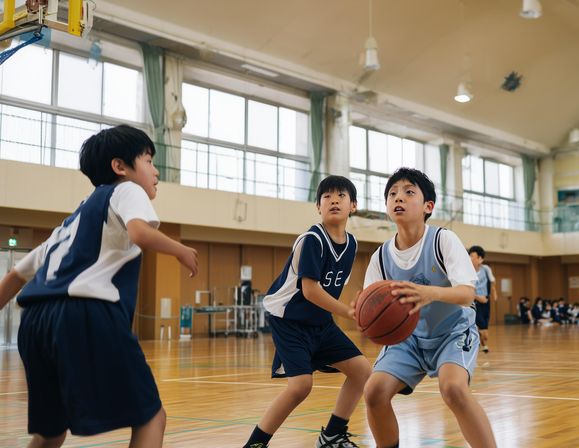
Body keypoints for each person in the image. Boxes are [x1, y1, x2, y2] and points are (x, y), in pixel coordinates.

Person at [0, 125, 199, 447]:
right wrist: (180, 250)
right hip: (86, 314)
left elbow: (14, 277)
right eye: (149, 161)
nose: (156, 171)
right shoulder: (127, 189)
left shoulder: (71, 223)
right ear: (120, 167)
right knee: (151, 417)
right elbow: (139, 232)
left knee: (50, 432)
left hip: (34, 323)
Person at [361, 168, 496, 448]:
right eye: (392, 194)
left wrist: (428, 293)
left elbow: (466, 294)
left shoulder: (442, 240)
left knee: (453, 389)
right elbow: (371, 301)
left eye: (409, 192)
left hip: (452, 332)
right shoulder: (381, 256)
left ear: (428, 206)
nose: (399, 197)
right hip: (407, 339)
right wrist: (362, 312)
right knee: (374, 392)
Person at [245, 176, 372, 448]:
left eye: (341, 196)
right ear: (318, 207)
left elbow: (332, 290)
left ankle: (332, 436)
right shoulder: (313, 239)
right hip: (289, 320)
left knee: (362, 371)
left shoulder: (351, 244)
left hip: (320, 322)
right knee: (300, 386)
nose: (334, 200)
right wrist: (351, 312)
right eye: (327, 197)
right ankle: (254, 444)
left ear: (353, 206)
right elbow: (310, 290)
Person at [468, 245, 497, 353]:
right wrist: (477, 297)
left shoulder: (486, 269)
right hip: (474, 302)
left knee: (485, 333)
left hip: (486, 301)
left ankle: (482, 343)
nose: (470, 258)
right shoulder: (467, 271)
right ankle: (477, 343)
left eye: (472, 256)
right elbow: (466, 290)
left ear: (480, 259)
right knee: (478, 326)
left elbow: (492, 281)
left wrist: (494, 292)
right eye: (469, 256)